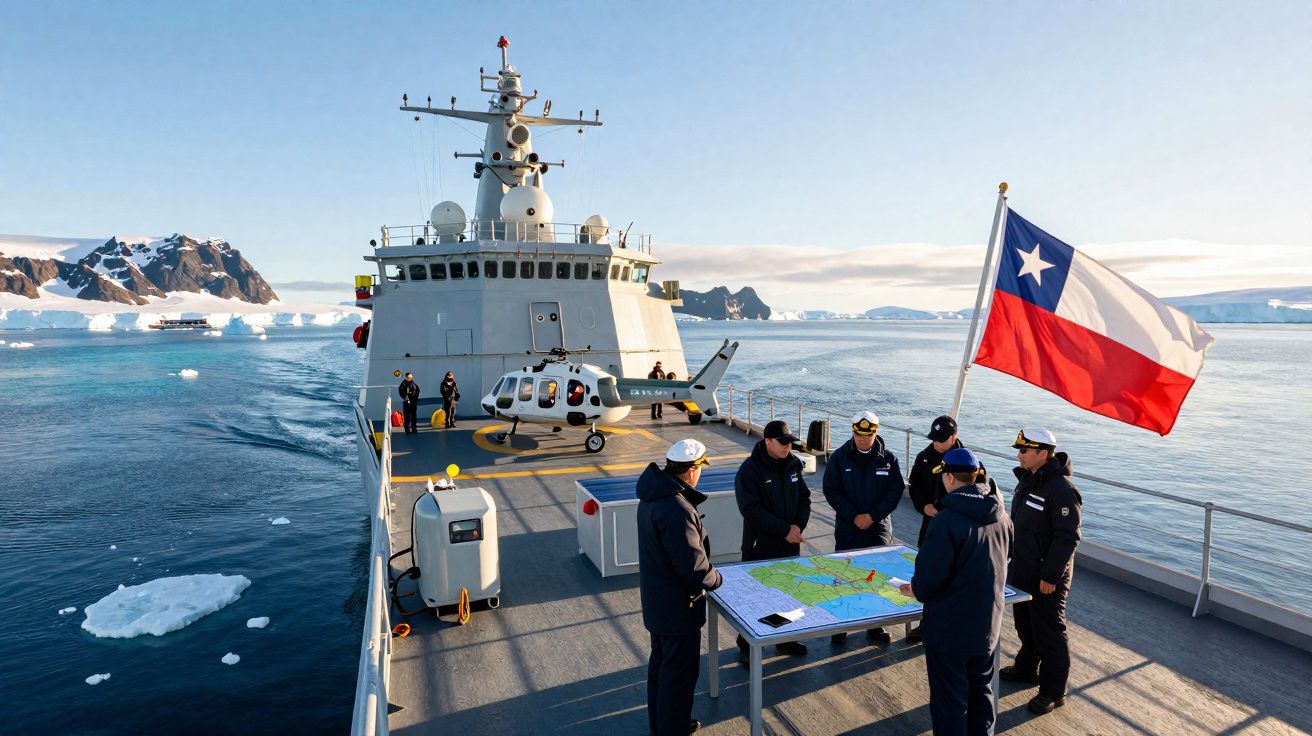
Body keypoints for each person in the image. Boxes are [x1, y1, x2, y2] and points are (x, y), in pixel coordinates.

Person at [899, 448, 1013, 736]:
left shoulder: (946, 521)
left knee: (950, 702)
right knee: (982, 693)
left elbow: (928, 580)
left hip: (950, 630)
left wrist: (915, 589)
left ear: (949, 478)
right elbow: (1006, 557)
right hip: (987, 625)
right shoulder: (1001, 515)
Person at [636, 439, 722, 736]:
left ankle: (663, 726)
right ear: (692, 470)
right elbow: (694, 568)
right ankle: (673, 729)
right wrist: (717, 579)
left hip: (658, 602)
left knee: (660, 670)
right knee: (679, 676)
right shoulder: (678, 509)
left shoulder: (652, 496)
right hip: (678, 609)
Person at [1000, 427, 1083, 715]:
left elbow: (1067, 537)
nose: (1019, 454)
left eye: (1024, 450)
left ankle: (1053, 691)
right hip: (1023, 569)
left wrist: (1051, 576)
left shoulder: (1061, 490)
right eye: (1019, 450)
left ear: (1042, 454)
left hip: (1047, 576)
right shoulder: (1030, 480)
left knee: (1049, 632)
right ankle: (1026, 668)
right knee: (1025, 623)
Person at [822, 410, 904, 645]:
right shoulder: (839, 458)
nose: (862, 439)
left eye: (867, 435)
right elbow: (831, 490)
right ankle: (842, 625)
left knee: (875, 575)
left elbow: (895, 491)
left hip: (877, 527)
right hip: (849, 526)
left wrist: (873, 516)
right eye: (858, 434)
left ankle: (874, 624)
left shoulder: (889, 459)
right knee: (844, 573)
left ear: (875, 433)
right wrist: (853, 515)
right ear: (853, 431)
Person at [735, 419, 811, 662]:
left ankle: (783, 639)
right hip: (760, 546)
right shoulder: (750, 470)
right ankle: (747, 646)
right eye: (782, 442)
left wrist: (798, 526)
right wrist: (784, 530)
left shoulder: (793, 465)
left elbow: (804, 498)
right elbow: (750, 509)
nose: (787, 447)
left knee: (786, 592)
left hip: (789, 543)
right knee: (756, 595)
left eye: (790, 442)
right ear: (767, 441)